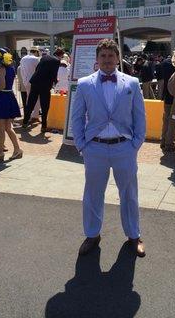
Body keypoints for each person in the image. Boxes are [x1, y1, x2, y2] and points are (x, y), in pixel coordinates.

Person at [72, 38, 146, 258]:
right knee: (93, 194)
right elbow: (77, 117)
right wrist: (81, 144)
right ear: (97, 58)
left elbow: (139, 116)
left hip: (124, 147)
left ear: (117, 58)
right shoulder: (85, 84)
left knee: (129, 193)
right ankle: (92, 235)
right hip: (94, 148)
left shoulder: (132, 83)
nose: (106, 60)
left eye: (110, 56)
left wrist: (136, 144)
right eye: (102, 56)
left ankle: (134, 235)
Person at [0, 48, 22, 162]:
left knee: (1, 127)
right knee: (8, 127)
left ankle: (1, 153)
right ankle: (17, 149)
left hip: (2, 97)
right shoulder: (11, 68)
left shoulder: (0, 69)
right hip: (9, 97)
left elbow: (2, 85)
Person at [22, 52, 60, 132]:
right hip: (45, 85)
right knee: (45, 106)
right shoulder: (56, 61)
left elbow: (37, 69)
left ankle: (25, 122)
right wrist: (56, 81)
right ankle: (44, 127)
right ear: (60, 56)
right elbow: (54, 74)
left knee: (30, 103)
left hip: (35, 81)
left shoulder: (44, 57)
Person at [160, 56, 175, 153]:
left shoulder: (165, 62)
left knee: (166, 119)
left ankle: (163, 141)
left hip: (166, 95)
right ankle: (169, 144)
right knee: (173, 121)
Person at [20, 47, 40, 122]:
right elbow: (39, 70)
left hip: (25, 81)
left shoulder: (23, 59)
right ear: (36, 52)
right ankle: (35, 116)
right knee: (37, 99)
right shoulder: (35, 59)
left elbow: (21, 70)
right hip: (34, 82)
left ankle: (28, 115)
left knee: (29, 99)